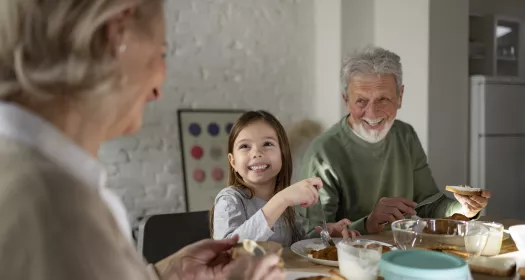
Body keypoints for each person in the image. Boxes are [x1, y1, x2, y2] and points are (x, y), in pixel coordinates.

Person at [0, 0, 282, 279]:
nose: (158, 90)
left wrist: (163, 275)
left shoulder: (32, 174)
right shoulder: (54, 208)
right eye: (161, 53)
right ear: (117, 31)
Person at [297, 46, 492, 236]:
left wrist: (464, 208)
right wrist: (368, 223)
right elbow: (311, 236)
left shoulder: (405, 135)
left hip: (403, 251)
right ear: (346, 101)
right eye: (361, 101)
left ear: (400, 97)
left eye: (383, 99)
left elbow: (429, 205)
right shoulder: (323, 153)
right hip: (349, 262)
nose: (372, 113)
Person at [211, 110, 360, 246]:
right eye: (245, 146)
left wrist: (328, 231)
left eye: (267, 144)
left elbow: (299, 241)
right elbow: (227, 249)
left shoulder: (285, 205)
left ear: (283, 154)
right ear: (233, 162)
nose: (256, 152)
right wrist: (281, 200)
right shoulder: (229, 200)